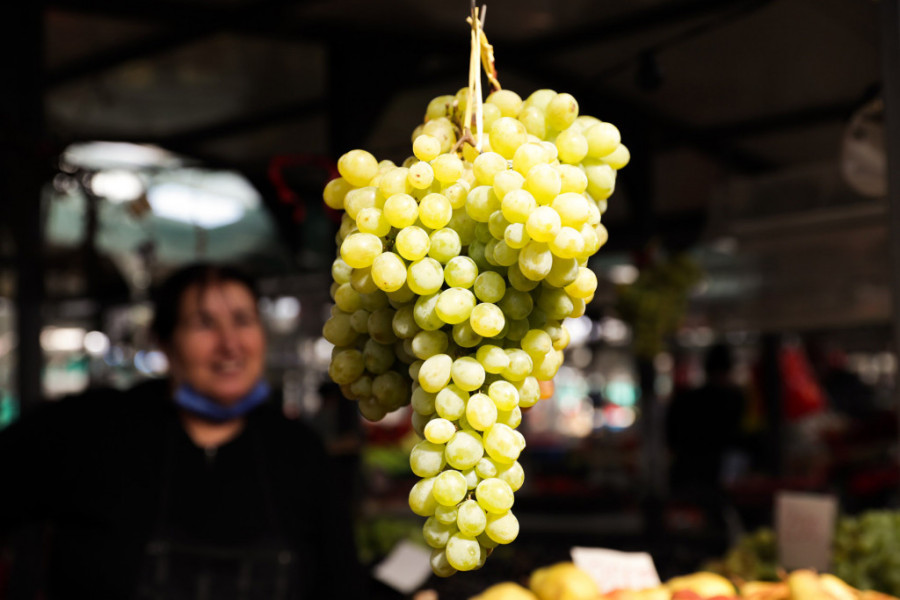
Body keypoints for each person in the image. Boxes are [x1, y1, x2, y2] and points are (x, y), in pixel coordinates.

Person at [0, 263, 366, 599]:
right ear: (164, 341)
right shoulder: (89, 429)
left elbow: (342, 585)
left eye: (243, 320)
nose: (230, 344)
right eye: (204, 323)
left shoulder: (300, 452)